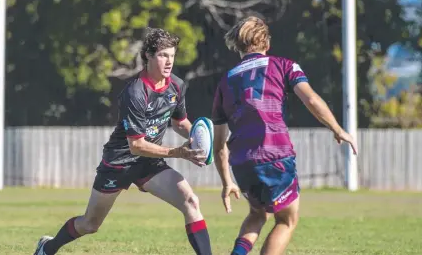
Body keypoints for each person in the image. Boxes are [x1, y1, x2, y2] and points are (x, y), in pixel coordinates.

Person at [34, 28, 213, 255]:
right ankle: (47, 248)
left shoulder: (176, 86)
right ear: (148, 55)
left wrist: (200, 141)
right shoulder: (135, 92)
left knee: (191, 202)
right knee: (90, 224)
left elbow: (180, 122)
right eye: (162, 55)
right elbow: (136, 145)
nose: (169, 61)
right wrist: (179, 152)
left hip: (149, 163)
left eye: (172, 55)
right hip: (120, 162)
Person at [211, 16, 358, 255]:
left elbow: (219, 145)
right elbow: (310, 98)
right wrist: (338, 129)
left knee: (257, 214)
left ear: (238, 46)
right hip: (275, 155)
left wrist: (227, 181)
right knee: (286, 221)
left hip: (242, 162)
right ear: (266, 43)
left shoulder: (225, 81)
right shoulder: (283, 65)